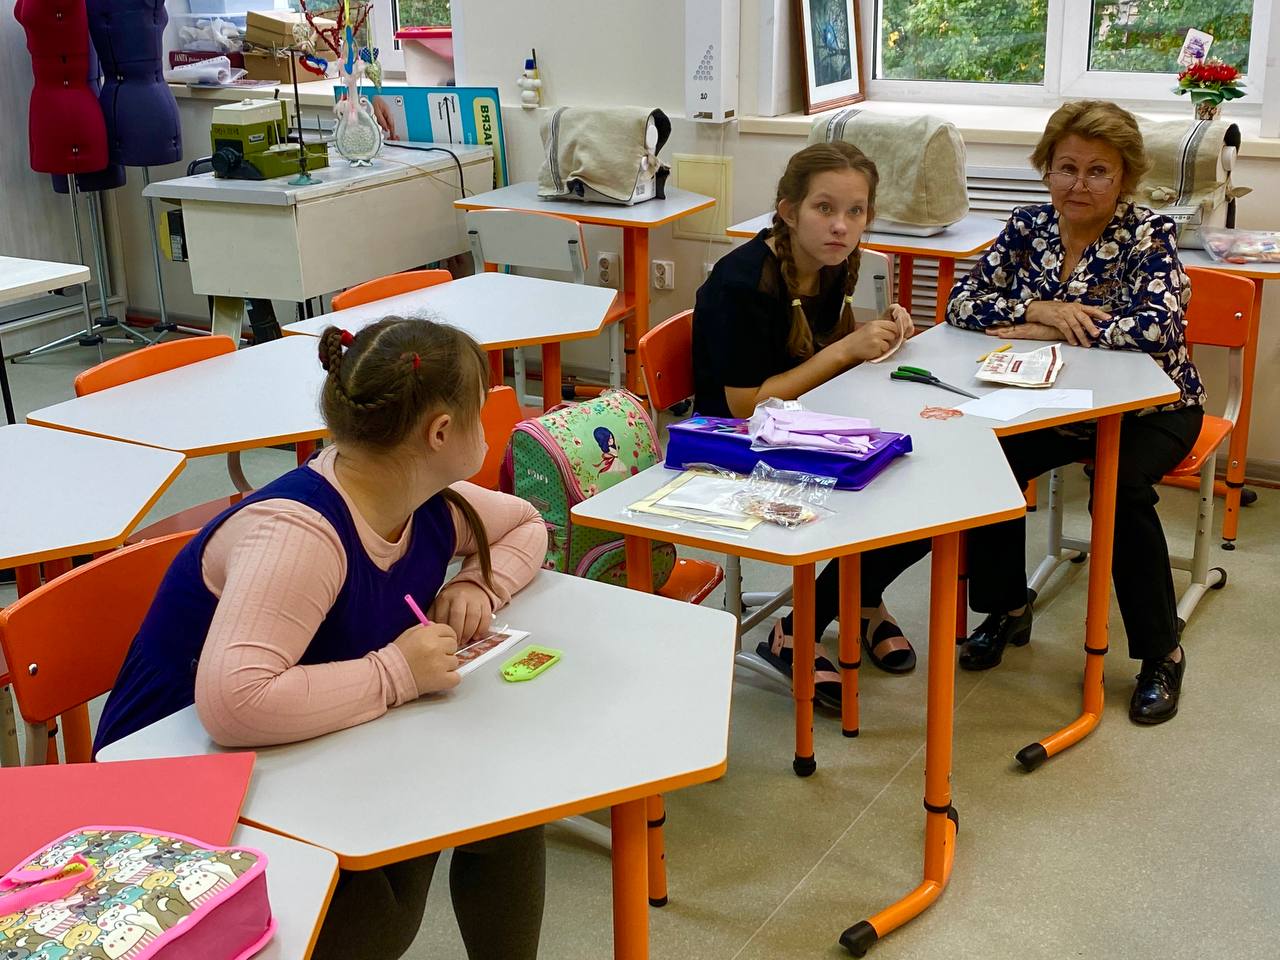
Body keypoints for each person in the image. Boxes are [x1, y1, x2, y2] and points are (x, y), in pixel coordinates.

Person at [93, 318, 550, 959]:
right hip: (176, 797)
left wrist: (479, 583)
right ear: (441, 432)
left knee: (507, 812)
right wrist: (396, 672)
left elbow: (528, 525)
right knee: (376, 915)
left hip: (293, 744)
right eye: (480, 410)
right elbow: (233, 703)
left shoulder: (422, 497)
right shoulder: (300, 533)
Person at [947, 100, 1205, 725]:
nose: (1078, 184)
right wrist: (1039, 310)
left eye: (1098, 171)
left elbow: (1156, 329)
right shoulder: (1027, 225)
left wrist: (1050, 326)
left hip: (1156, 407)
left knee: (1119, 489)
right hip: (1055, 404)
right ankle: (1008, 609)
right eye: (1066, 167)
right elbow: (961, 303)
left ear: (1125, 178)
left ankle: (1161, 652)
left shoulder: (1149, 234)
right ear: (1046, 168)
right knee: (987, 458)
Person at [692, 141, 928, 705]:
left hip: (796, 423)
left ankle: (857, 599)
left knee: (926, 484)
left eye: (855, 211)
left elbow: (816, 355)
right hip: (731, 443)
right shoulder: (743, 282)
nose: (841, 226)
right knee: (898, 495)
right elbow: (744, 405)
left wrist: (882, 334)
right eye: (825, 208)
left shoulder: (830, 263)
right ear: (789, 211)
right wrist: (847, 350)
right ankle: (807, 624)